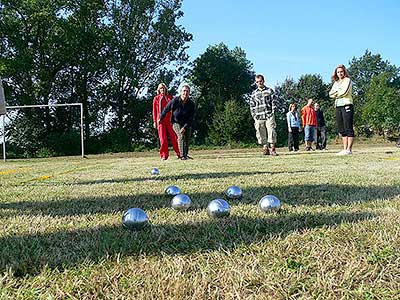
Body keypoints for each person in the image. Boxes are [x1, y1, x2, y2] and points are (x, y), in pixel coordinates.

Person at [158, 85, 195, 160]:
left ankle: (185, 154)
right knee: (181, 136)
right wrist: (160, 118)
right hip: (175, 122)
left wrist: (185, 127)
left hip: (186, 123)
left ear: (189, 93)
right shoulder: (175, 100)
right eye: (184, 91)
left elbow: (191, 118)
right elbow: (166, 109)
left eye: (187, 91)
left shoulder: (191, 104)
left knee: (187, 138)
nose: (185, 93)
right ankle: (182, 156)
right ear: (181, 92)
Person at [250, 74, 278, 156]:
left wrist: (272, 112)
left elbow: (274, 102)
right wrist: (254, 116)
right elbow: (252, 106)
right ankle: (265, 148)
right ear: (256, 83)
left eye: (260, 81)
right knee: (260, 132)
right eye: (257, 82)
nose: (259, 83)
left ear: (263, 81)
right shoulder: (254, 93)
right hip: (259, 116)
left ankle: (272, 148)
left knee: (271, 131)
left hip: (269, 115)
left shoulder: (269, 91)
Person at [329, 64, 354, 155]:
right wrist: (337, 92)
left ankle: (349, 149)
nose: (340, 73)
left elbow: (345, 92)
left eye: (341, 72)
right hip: (338, 106)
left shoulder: (348, 80)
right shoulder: (336, 83)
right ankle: (344, 149)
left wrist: (337, 93)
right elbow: (330, 94)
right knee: (341, 128)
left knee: (348, 127)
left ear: (344, 72)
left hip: (347, 104)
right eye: (338, 72)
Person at [152, 83, 181, 160]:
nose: (162, 90)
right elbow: (154, 111)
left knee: (174, 137)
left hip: (170, 120)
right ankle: (164, 155)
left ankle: (179, 154)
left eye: (164, 88)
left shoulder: (170, 97)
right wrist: (155, 121)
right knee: (163, 139)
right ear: (158, 90)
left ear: (166, 89)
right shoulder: (156, 98)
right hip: (160, 120)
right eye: (161, 88)